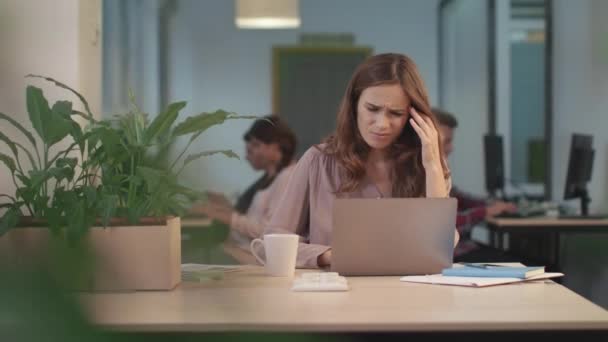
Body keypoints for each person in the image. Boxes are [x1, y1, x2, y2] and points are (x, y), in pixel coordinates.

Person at [266, 53, 459, 268]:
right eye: (372, 109)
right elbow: (275, 239)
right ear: (354, 105)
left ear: (412, 117)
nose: (382, 124)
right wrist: (331, 255)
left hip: (408, 293)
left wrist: (433, 166)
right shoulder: (317, 161)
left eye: (395, 113)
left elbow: (442, 245)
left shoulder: (425, 164)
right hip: (334, 295)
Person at [191, 115, 298, 250]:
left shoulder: (287, 177)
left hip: (254, 253)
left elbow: (269, 231)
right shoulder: (270, 178)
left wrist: (227, 216)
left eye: (255, 145)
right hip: (245, 248)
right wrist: (225, 209)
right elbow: (254, 218)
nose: (247, 155)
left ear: (276, 147)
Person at [433, 108, 518, 262]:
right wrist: (484, 211)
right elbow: (445, 225)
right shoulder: (419, 176)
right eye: (447, 141)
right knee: (536, 266)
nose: (451, 148)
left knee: (532, 263)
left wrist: (490, 205)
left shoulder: (439, 172)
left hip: (464, 249)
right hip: (453, 256)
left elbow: (460, 198)